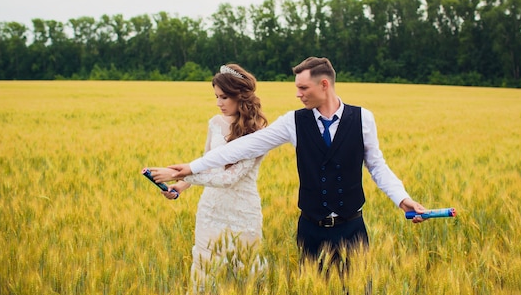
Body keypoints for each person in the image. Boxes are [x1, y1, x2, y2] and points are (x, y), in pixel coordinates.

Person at [160, 57, 425, 265]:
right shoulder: (293, 122)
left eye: (302, 87)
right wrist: (191, 168)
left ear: (324, 85)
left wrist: (403, 199)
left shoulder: (363, 118)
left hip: (352, 227)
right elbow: (243, 147)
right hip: (310, 229)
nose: (298, 94)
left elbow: (377, 166)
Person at [149, 64, 268, 292]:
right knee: (204, 272)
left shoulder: (258, 133)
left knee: (243, 275)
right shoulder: (214, 123)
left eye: (224, 97)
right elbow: (206, 164)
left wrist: (176, 172)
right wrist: (180, 187)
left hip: (242, 213)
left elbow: (228, 178)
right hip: (210, 210)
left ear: (240, 96)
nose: (218, 103)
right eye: (216, 96)